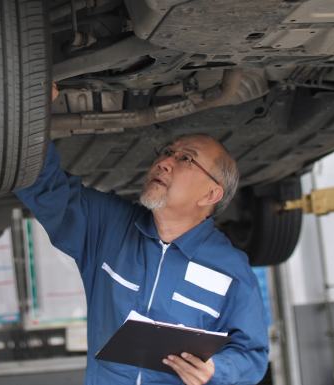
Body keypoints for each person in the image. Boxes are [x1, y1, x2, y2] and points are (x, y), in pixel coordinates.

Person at [14, 87, 268, 385]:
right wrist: (29, 110)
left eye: (186, 159)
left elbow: (252, 355)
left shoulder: (230, 269)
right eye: (167, 152)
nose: (164, 162)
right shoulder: (110, 229)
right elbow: (48, 190)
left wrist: (217, 369)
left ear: (211, 194)